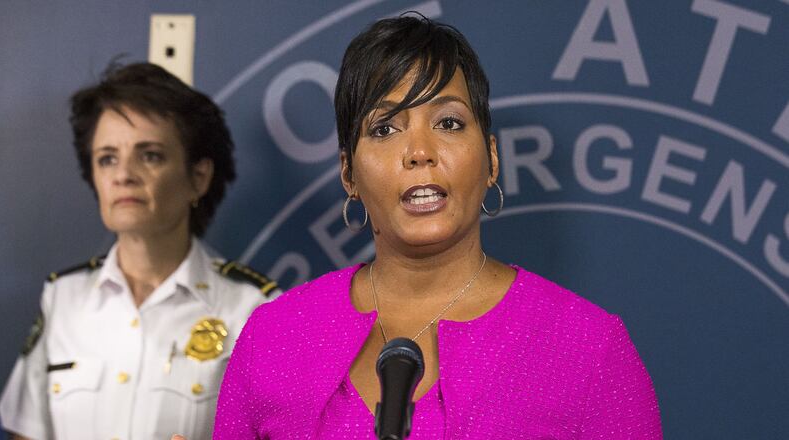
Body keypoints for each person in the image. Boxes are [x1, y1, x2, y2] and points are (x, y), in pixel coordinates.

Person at [212, 15, 662, 439]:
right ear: (349, 173)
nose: (420, 152)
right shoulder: (274, 336)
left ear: (491, 159)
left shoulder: (587, 348)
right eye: (385, 129)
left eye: (448, 123)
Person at [0, 62, 281, 440]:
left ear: (198, 177)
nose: (123, 174)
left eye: (149, 155)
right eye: (107, 158)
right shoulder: (62, 298)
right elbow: (26, 433)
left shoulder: (255, 310)